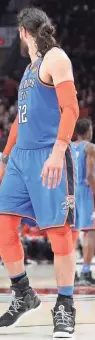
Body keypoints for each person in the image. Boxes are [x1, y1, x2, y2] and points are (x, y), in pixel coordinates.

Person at [0, 7, 79, 338]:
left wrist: (58, 151)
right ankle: (24, 293)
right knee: (1, 226)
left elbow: (71, 109)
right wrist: (3, 162)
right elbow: (19, 120)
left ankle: (66, 305)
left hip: (47, 154)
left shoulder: (56, 58)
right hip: (21, 159)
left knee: (58, 233)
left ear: (23, 32)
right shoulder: (29, 69)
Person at [73, 119, 95, 286]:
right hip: (85, 191)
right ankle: (86, 273)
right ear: (88, 130)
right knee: (90, 232)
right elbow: (89, 176)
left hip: (69, 192)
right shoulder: (90, 147)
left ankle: (70, 273)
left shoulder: (67, 147)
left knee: (70, 234)